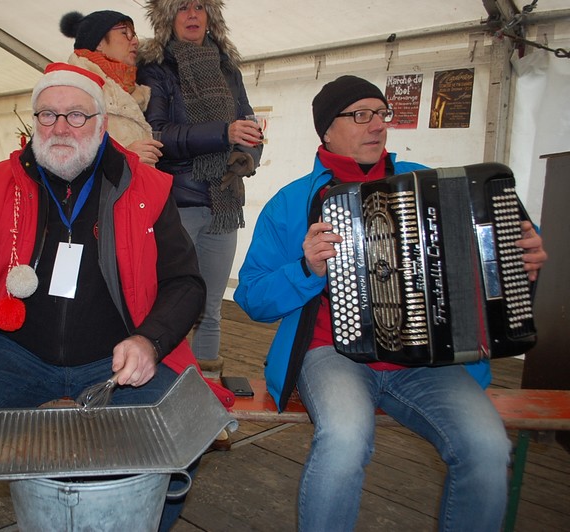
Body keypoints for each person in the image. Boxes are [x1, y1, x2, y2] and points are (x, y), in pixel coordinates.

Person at [0, 62, 233, 531]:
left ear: (101, 124)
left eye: (77, 115)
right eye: (48, 114)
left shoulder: (147, 188)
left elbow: (185, 283)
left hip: (116, 365)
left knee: (189, 424)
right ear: (34, 122)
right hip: (14, 355)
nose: (61, 127)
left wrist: (150, 341)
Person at [234, 75, 547, 531]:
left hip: (426, 358)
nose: (377, 125)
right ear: (327, 131)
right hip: (332, 353)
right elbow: (252, 297)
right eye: (361, 115)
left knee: (487, 446)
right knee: (344, 439)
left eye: (382, 114)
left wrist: (518, 260)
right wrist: (306, 269)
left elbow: (494, 254)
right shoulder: (290, 202)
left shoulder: (431, 183)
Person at [138, 0, 263, 382]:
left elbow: (249, 123)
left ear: (211, 16)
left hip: (224, 203)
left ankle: (206, 391)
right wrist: (223, 134)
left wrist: (248, 155)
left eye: (199, 6)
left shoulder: (229, 69)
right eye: (182, 7)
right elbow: (157, 134)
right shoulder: (157, 69)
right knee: (167, 303)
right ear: (167, 17)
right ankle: (160, 386)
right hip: (178, 204)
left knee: (211, 309)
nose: (192, 15)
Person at [60, 10, 162, 166]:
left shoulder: (133, 92)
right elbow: (61, 156)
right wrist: (123, 157)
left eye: (134, 35)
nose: (135, 41)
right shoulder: (73, 88)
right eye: (125, 33)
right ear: (99, 43)